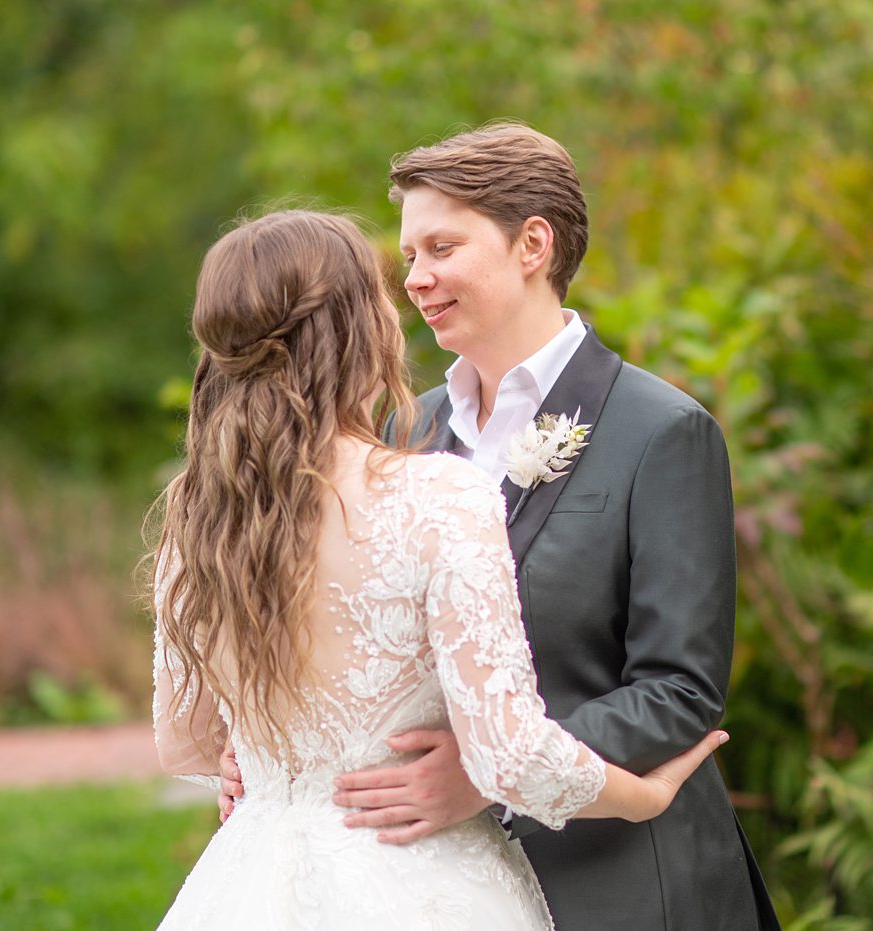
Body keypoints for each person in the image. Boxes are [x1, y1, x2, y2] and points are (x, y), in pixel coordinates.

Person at [223, 124, 781, 930]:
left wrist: (490, 772)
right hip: (435, 885)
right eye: (410, 256)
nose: (416, 279)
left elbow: (679, 689)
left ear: (532, 244)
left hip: (622, 881)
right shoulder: (399, 433)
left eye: (441, 248)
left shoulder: (661, 432)